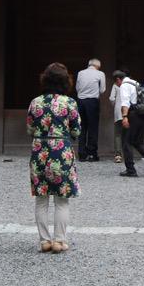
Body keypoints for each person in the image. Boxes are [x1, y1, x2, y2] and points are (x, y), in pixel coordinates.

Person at [27, 62, 82, 253]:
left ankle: (44, 241)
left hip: (39, 150)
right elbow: (76, 131)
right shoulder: (70, 103)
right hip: (62, 152)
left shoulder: (36, 102)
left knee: (41, 200)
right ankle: (59, 241)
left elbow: (30, 128)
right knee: (62, 199)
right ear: (66, 81)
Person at [117, 69, 144, 177]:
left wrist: (125, 117)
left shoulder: (124, 85)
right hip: (143, 115)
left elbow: (125, 102)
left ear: (118, 79)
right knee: (138, 141)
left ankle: (130, 170)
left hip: (133, 115)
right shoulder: (135, 83)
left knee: (126, 142)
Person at [75, 58, 106, 162]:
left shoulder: (80, 73)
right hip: (92, 101)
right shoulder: (100, 73)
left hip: (81, 101)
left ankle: (82, 154)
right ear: (97, 66)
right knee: (93, 127)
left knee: (82, 127)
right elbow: (102, 90)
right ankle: (92, 154)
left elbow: (77, 88)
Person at [107, 69, 127, 163]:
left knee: (118, 134)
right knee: (126, 134)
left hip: (118, 113)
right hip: (127, 113)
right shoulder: (128, 85)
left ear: (118, 79)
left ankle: (118, 155)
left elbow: (111, 98)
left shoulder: (115, 86)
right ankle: (127, 153)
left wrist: (115, 104)